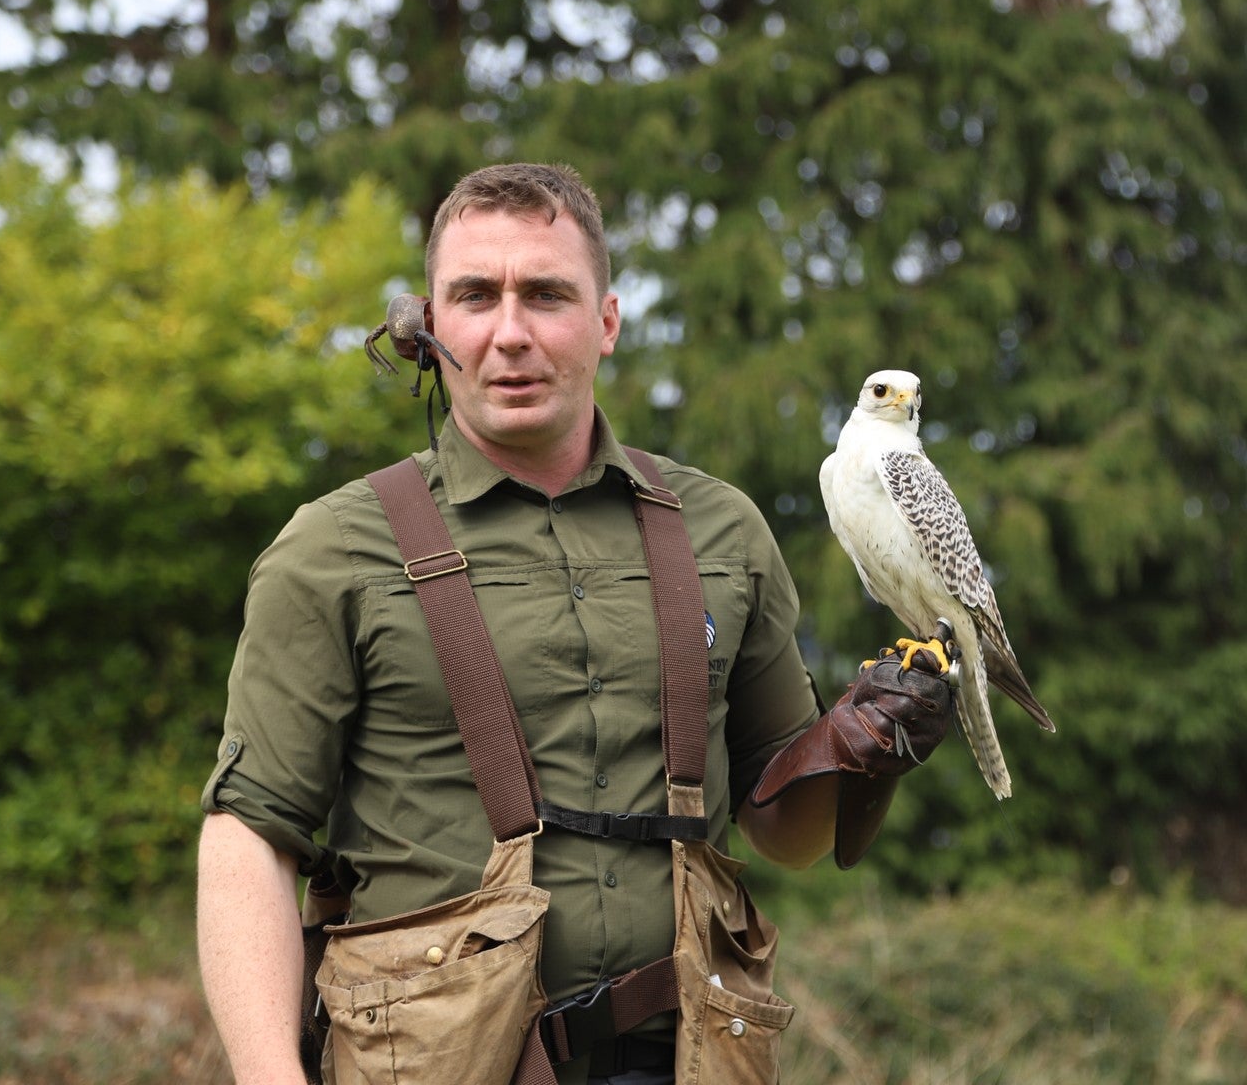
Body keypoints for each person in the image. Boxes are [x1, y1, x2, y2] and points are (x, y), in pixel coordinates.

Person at [196, 162, 951, 1085]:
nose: (509, 332)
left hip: (690, 1054)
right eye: (474, 295)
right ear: (431, 327)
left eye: (546, 295)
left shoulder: (722, 530)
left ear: (606, 324)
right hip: (432, 1063)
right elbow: (251, 836)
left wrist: (864, 748)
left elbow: (783, 833)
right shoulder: (332, 548)